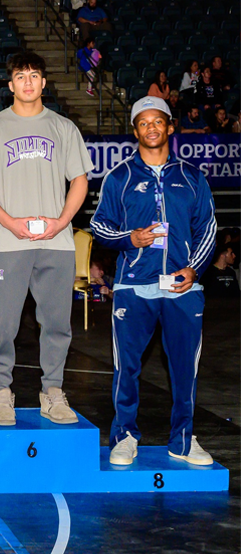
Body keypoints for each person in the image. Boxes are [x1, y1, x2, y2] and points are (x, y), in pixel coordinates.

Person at [0, 52, 90, 426]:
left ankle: (53, 392)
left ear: (44, 83)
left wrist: (62, 221)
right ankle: (1, 392)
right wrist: (8, 221)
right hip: (7, 241)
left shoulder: (64, 128)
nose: (28, 82)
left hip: (56, 241)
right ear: (10, 84)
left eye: (35, 75)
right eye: (21, 76)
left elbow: (80, 180)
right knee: (2, 325)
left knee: (57, 324)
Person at [91, 96, 217, 467]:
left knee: (184, 370)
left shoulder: (192, 177)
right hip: (134, 286)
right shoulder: (120, 177)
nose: (151, 128)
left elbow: (207, 228)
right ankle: (125, 436)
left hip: (182, 287)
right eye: (143, 123)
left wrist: (194, 269)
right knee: (126, 368)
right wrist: (130, 239)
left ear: (170, 127)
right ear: (135, 131)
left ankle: (182, 439)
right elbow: (99, 226)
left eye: (157, 122)